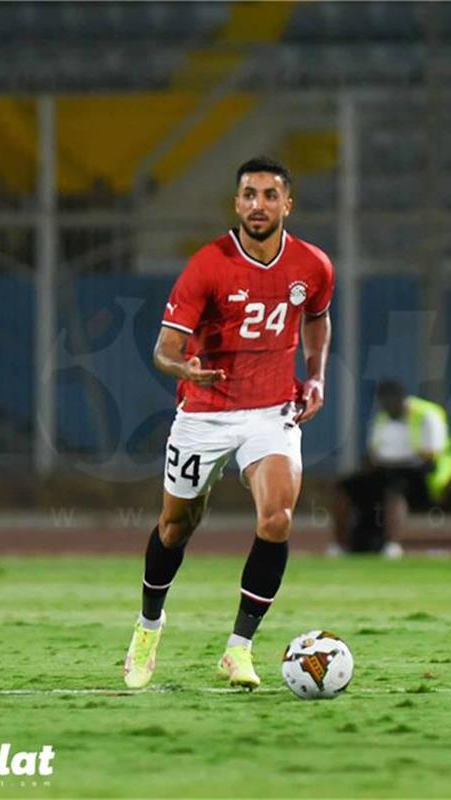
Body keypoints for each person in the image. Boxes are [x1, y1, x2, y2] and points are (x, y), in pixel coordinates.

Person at [123, 157, 335, 690]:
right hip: (206, 414)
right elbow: (164, 349)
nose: (258, 205)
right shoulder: (208, 265)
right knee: (175, 527)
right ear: (237, 203)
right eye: (249, 195)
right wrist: (184, 368)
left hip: (271, 413)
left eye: (269, 195)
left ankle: (238, 649)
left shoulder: (313, 266)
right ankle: (148, 628)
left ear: (288, 204)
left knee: (277, 519)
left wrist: (315, 377)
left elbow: (317, 317)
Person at [330, 379, 451, 558]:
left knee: (395, 489)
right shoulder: (382, 418)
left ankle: (392, 545)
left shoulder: (427, 416)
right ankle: (340, 546)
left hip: (423, 475)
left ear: (401, 399)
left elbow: (431, 454)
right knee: (345, 486)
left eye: (389, 402)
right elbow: (374, 452)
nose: (386, 407)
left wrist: (392, 463)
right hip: (385, 471)